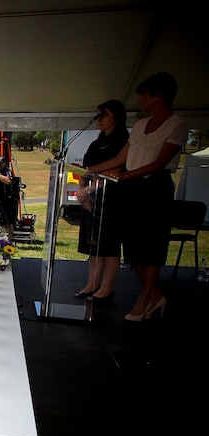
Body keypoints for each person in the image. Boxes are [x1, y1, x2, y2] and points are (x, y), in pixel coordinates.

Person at [93, 72, 188, 322]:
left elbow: (159, 163)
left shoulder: (177, 124)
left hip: (155, 190)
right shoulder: (140, 126)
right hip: (132, 189)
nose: (140, 100)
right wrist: (86, 169)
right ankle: (156, 296)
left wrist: (126, 175)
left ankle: (144, 300)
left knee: (152, 247)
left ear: (157, 95)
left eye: (143, 95)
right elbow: (118, 160)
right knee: (134, 252)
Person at [73, 99, 129, 303]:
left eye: (103, 114)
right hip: (92, 197)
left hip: (112, 198)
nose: (99, 119)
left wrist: (91, 181)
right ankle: (92, 284)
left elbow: (118, 168)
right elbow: (84, 170)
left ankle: (107, 287)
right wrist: (82, 191)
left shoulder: (123, 141)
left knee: (109, 245)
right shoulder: (96, 143)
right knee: (93, 245)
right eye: (97, 114)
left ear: (116, 116)